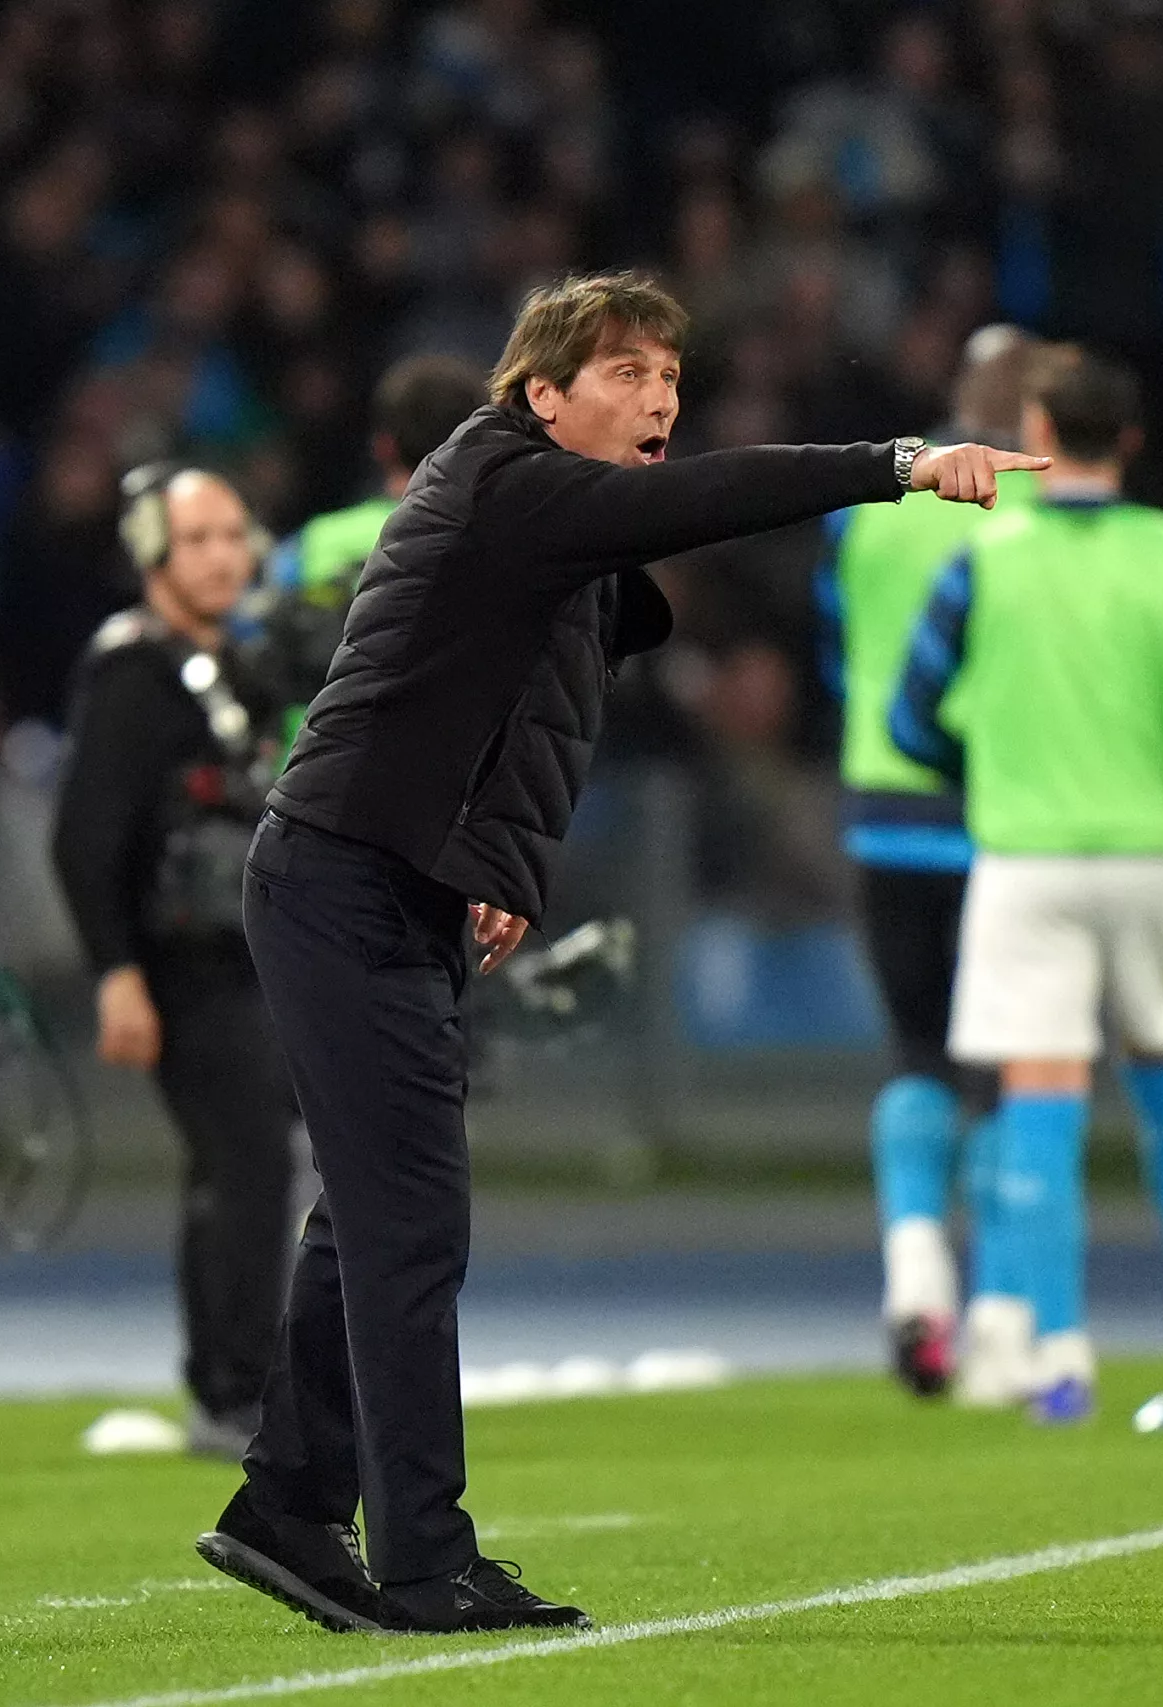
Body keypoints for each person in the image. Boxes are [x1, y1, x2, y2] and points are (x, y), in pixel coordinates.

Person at [192, 270, 1042, 1635]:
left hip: (390, 878)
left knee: (373, 1218)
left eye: (671, 378)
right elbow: (705, 500)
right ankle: (422, 1560)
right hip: (340, 877)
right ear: (541, 395)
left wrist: (500, 865)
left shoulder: (547, 529)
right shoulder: (507, 483)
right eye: (628, 373)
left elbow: (525, 704)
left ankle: (289, 1508)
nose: (661, 400)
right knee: (409, 1224)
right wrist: (895, 465)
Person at [893, 348, 1163, 1423]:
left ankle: (1062, 1354)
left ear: (1038, 429)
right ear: (1130, 439)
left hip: (1026, 860)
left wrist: (990, 770)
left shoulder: (982, 560)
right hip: (1152, 857)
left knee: (1041, 1101)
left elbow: (911, 718)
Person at [51, 465, 297, 1463]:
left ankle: (244, 1379)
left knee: (248, 1168)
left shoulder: (239, 667)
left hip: (250, 958)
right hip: (183, 964)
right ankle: (231, 1390)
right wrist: (115, 973)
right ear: (153, 552)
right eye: (197, 539)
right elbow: (83, 839)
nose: (222, 557)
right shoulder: (134, 672)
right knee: (244, 1166)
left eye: (233, 536)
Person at [812, 323, 1040, 1399]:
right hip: (1001, 817)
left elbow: (836, 647)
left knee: (915, 1054)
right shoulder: (1033, 509)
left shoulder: (869, 505)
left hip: (885, 817)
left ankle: (914, 1287)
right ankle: (998, 1315)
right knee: (1003, 1070)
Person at [245, 355, 489, 730]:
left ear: (383, 446)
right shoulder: (499, 543)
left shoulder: (314, 543)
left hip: (315, 752)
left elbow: (252, 634)